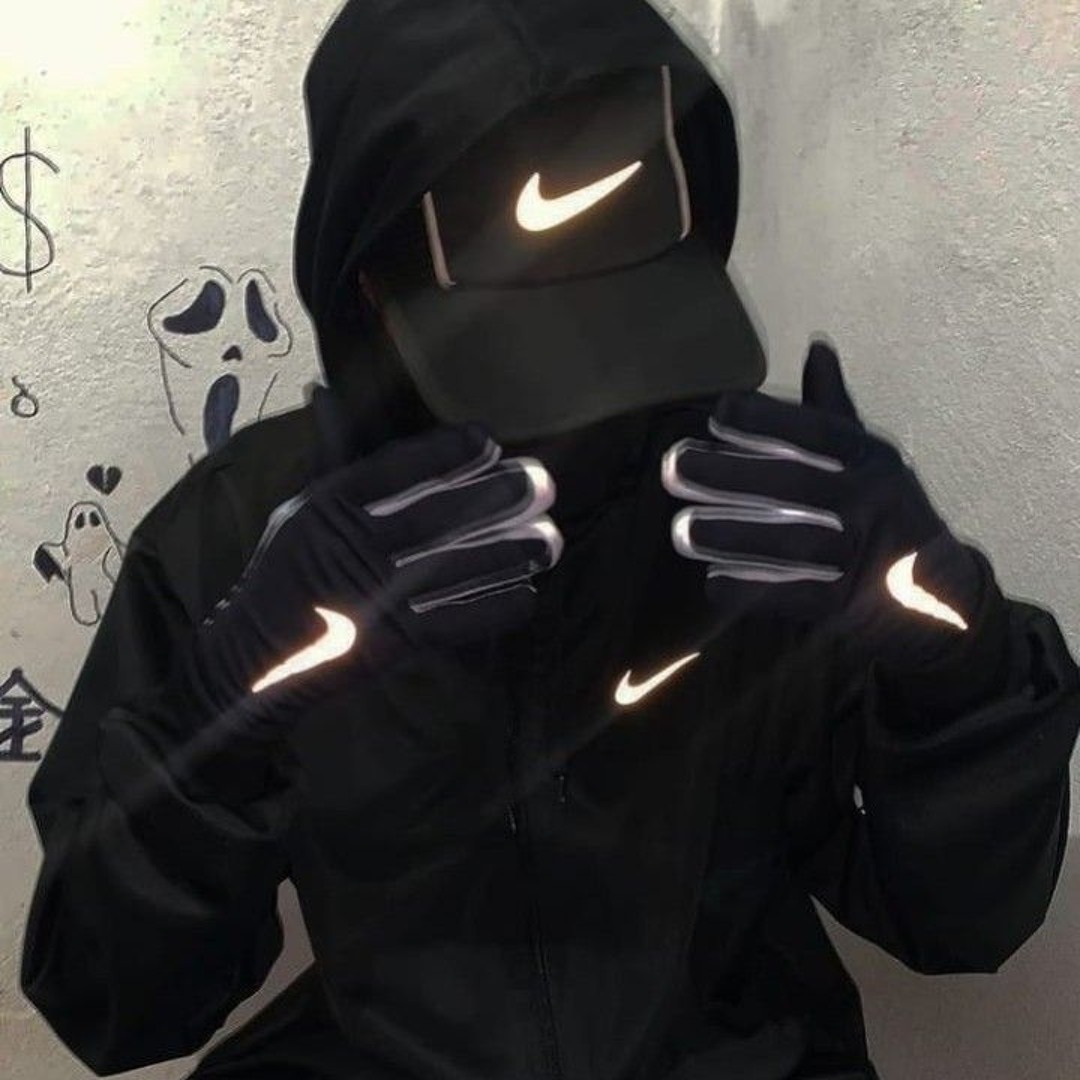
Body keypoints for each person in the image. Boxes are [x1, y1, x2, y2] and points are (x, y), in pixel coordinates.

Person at [20, 2, 1080, 1078]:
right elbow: (111, 1009)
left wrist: (962, 670)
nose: (579, 406)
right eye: (517, 350)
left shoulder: (770, 514)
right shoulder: (244, 536)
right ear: (370, 288)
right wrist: (216, 727)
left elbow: (962, 923)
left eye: (625, 321)